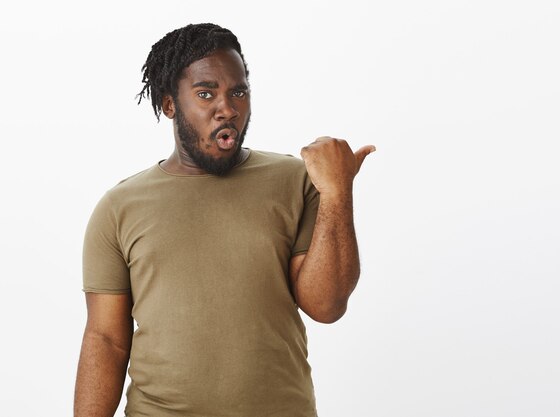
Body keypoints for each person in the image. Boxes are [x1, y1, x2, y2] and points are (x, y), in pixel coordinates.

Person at [74, 22, 375, 417]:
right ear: (169, 105)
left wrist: (337, 192)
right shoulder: (119, 208)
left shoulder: (294, 180)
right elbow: (106, 339)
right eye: (205, 93)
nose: (228, 109)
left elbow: (326, 306)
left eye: (238, 91)